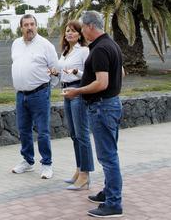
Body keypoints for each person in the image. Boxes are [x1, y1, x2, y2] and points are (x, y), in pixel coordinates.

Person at [62, 11, 124, 218]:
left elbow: (102, 83)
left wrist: (76, 91)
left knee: (107, 157)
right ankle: (108, 192)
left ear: (89, 26)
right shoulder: (111, 45)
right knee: (110, 153)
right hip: (111, 104)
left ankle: (114, 203)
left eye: (82, 27)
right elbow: (121, 73)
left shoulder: (99, 49)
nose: (82, 31)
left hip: (102, 107)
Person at [10, 13, 59, 179]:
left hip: (39, 93)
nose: (29, 27)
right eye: (26, 25)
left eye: (32, 24)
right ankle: (28, 161)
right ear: (21, 27)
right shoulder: (16, 44)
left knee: (43, 131)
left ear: (36, 26)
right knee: (24, 130)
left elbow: (55, 70)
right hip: (21, 95)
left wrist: (46, 88)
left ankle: (47, 164)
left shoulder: (45, 45)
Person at [56, 20, 94, 190]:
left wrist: (76, 72)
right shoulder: (65, 52)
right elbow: (62, 71)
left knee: (82, 134)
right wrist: (55, 72)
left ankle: (85, 174)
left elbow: (90, 75)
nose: (69, 33)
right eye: (67, 31)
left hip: (78, 91)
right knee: (73, 134)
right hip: (66, 91)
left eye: (73, 31)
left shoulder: (84, 51)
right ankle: (79, 170)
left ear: (80, 34)